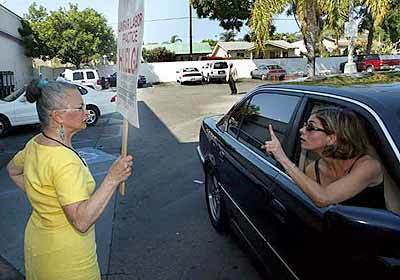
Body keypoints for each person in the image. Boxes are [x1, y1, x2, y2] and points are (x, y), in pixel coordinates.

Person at [6, 80, 133, 280]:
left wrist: (46, 199)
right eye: (80, 107)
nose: (86, 112)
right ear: (58, 117)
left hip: (39, 246)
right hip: (67, 263)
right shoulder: (65, 162)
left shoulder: (36, 143)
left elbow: (13, 171)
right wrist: (112, 178)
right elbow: (81, 221)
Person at [262, 106, 385, 208]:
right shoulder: (313, 170)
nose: (301, 130)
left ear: (331, 138)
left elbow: (324, 198)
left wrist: (283, 158)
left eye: (310, 127)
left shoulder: (368, 166)